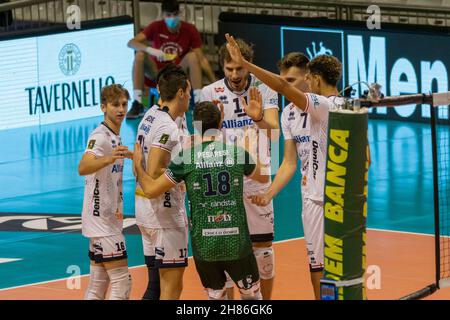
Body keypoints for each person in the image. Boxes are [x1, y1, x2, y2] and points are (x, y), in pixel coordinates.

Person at [225, 34, 345, 300]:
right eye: (286, 80)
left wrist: (246, 64)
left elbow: (278, 86)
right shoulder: (290, 113)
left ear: (309, 77)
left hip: (334, 198)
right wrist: (269, 194)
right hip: (310, 198)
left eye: (292, 81)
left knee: (340, 269)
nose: (287, 86)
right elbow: (290, 162)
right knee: (317, 265)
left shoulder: (328, 106)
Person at [133, 101, 268, 300]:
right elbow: (264, 176)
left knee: (216, 297)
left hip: (205, 248)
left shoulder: (186, 159)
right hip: (237, 243)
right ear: (221, 123)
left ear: (195, 125)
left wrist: (138, 163)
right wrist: (250, 145)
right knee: (252, 297)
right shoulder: (237, 153)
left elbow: (151, 189)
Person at [199, 38, 279, 300]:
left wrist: (257, 117)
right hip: (225, 183)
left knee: (263, 250)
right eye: (229, 69)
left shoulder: (265, 88)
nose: (234, 75)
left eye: (239, 69)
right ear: (222, 66)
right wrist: (216, 124)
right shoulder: (209, 93)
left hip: (257, 179)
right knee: (227, 249)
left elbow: (275, 133)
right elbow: (203, 142)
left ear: (248, 66)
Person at [134, 64, 190, 300]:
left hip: (145, 211)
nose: (190, 96)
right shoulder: (168, 126)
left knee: (155, 286)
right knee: (172, 288)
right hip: (164, 215)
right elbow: (156, 169)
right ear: (179, 92)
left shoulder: (150, 115)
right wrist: (181, 175)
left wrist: (138, 166)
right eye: (188, 91)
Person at [78, 84, 133, 300]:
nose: (120, 109)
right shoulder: (100, 136)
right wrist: (109, 158)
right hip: (103, 222)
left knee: (98, 283)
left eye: (124, 104)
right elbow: (83, 167)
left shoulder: (115, 136)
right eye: (115, 105)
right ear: (103, 107)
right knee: (122, 283)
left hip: (103, 219)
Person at [126, 0, 216, 119]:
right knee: (140, 55)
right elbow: (131, 42)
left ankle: (198, 103)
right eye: (168, 15)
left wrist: (215, 83)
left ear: (179, 13)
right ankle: (137, 103)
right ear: (163, 15)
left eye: (174, 14)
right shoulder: (156, 26)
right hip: (157, 72)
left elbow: (202, 59)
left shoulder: (189, 29)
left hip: (177, 71)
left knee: (193, 56)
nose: (172, 18)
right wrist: (151, 50)